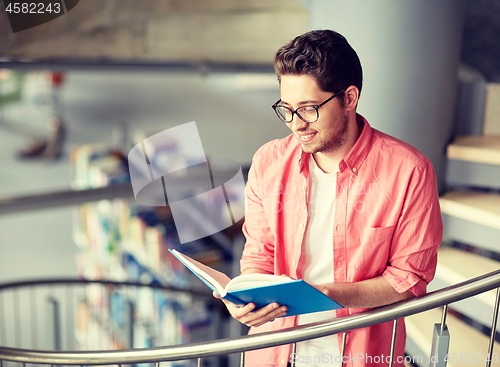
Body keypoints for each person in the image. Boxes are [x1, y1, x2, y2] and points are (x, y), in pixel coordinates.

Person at [214, 29, 443, 367]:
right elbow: (260, 253)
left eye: (308, 109)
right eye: (286, 109)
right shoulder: (268, 162)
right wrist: (244, 296)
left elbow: (408, 280)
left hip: (360, 354)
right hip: (273, 353)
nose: (295, 124)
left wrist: (327, 295)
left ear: (349, 98)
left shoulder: (409, 171)